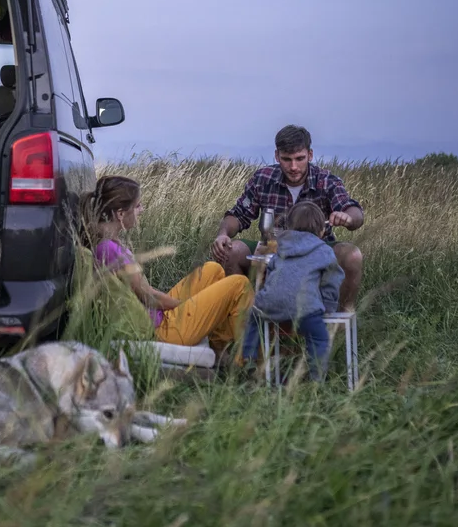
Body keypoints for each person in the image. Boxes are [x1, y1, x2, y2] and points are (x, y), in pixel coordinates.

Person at [81, 176, 253, 354]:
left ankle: (220, 347)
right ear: (120, 214)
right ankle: (247, 359)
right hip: (164, 330)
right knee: (239, 284)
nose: (142, 210)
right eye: (137, 206)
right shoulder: (109, 249)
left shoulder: (109, 244)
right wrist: (185, 306)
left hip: (157, 316)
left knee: (213, 269)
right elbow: (147, 296)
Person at [212, 124, 364, 309]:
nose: (293, 167)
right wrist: (223, 234)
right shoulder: (262, 179)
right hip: (273, 250)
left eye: (299, 159)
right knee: (230, 251)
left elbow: (354, 212)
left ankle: (339, 318)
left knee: (352, 255)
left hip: (317, 250)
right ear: (277, 156)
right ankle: (244, 317)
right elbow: (238, 215)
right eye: (286, 159)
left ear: (310, 155)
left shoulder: (326, 181)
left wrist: (348, 218)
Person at [241, 201, 344, 380]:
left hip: (271, 304)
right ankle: (316, 377)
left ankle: (249, 358)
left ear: (288, 227)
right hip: (307, 308)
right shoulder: (324, 251)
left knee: (254, 318)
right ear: (322, 231)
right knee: (319, 338)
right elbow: (332, 281)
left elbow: (270, 270)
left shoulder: (280, 247)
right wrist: (328, 307)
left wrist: (269, 294)